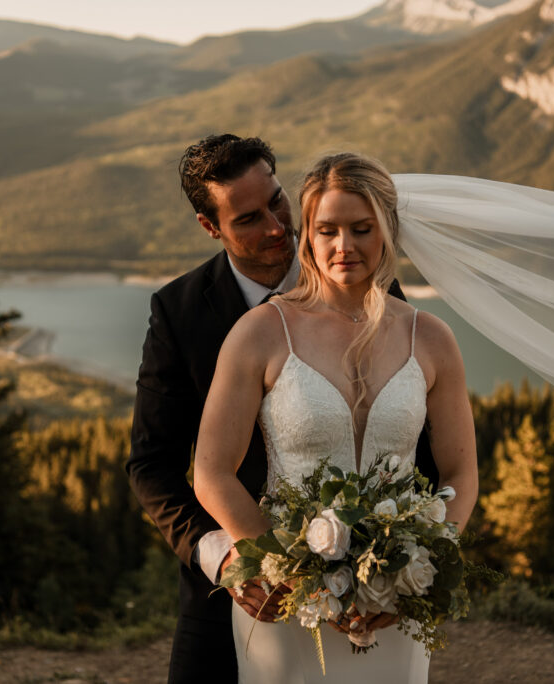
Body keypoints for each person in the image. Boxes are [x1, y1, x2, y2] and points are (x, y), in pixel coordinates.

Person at [126, 136, 436, 683]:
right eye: (247, 218)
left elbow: (415, 437)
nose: (275, 227)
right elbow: (152, 465)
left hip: (372, 586)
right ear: (210, 226)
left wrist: (407, 563)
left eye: (277, 202)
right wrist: (224, 555)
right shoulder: (179, 312)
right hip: (236, 592)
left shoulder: (371, 285)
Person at [193, 152, 478, 683]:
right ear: (308, 235)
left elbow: (461, 476)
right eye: (327, 230)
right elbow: (210, 473)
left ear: (387, 231)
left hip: (394, 604)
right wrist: (293, 571)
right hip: (286, 604)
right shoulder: (260, 332)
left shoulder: (433, 339)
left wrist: (421, 570)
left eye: (361, 228)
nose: (343, 246)